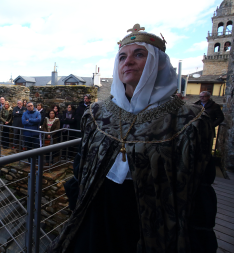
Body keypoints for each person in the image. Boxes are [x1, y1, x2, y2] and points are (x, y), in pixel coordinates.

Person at [48, 25, 217, 253]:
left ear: (158, 63)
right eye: (122, 57)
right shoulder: (97, 114)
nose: (127, 62)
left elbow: (199, 190)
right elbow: (82, 165)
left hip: (153, 226)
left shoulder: (190, 120)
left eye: (139, 54)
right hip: (98, 214)